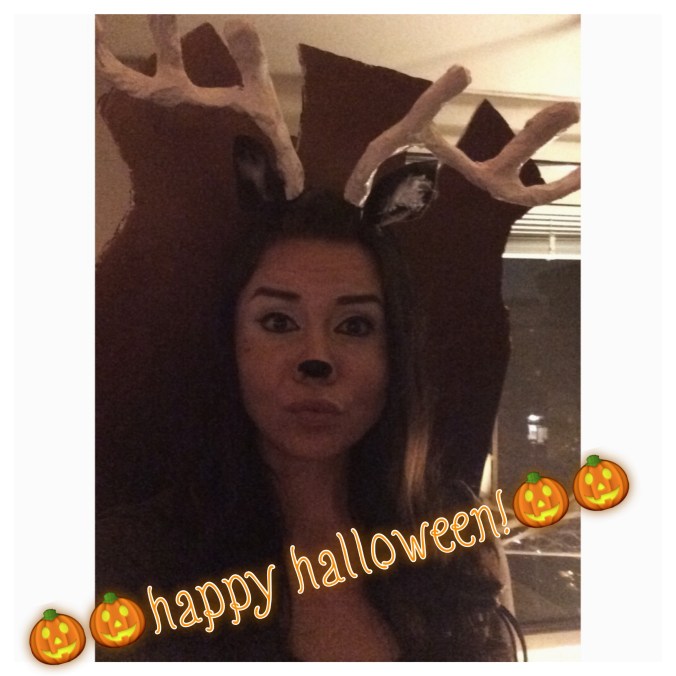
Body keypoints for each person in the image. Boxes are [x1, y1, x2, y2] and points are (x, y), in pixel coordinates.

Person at [96, 183, 518, 661]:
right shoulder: (131, 567)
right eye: (279, 322)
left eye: (355, 326)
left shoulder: (455, 543)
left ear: (394, 354)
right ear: (232, 345)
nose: (316, 359)